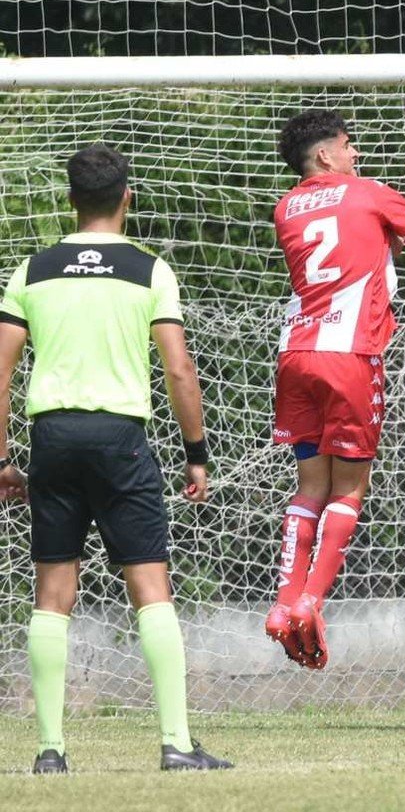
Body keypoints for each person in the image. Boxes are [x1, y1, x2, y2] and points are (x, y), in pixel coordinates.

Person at [0, 144, 231, 772]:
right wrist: (196, 453)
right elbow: (179, 370)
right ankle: (177, 744)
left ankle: (50, 751)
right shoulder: (149, 270)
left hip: (52, 438)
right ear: (127, 197)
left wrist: (2, 461)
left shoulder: (33, 270)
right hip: (122, 439)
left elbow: (0, 371)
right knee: (150, 588)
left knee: (53, 594)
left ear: (70, 200)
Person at [267, 109, 405, 669]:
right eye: (348, 147)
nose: (355, 155)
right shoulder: (370, 193)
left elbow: (347, 247)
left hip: (297, 352)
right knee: (349, 490)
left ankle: (284, 601)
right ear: (328, 155)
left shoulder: (285, 208)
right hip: (351, 353)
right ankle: (312, 599)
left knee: (309, 485)